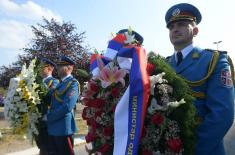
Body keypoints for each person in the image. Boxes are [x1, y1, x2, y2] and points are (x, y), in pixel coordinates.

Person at [165, 3, 234, 155]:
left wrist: (192, 149)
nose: (175, 29)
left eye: (182, 24)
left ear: (195, 30)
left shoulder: (214, 60)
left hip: (203, 148)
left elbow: (223, 113)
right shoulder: (163, 64)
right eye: (171, 27)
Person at [47, 56, 79, 155]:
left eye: (61, 66)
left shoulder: (73, 83)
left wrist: (49, 116)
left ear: (69, 68)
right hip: (54, 127)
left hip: (63, 128)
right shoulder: (60, 84)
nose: (58, 68)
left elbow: (67, 106)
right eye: (58, 66)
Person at [36, 58, 59, 155]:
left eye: (42, 67)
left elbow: (51, 98)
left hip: (48, 122)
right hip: (38, 121)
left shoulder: (55, 82)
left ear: (50, 69)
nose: (39, 69)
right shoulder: (35, 82)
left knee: (50, 150)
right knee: (42, 147)